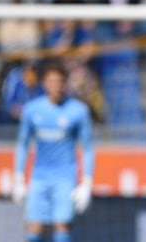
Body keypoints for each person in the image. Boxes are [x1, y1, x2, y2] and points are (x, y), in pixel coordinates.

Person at [11, 62, 96, 242]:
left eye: (59, 81)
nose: (55, 86)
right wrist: (18, 178)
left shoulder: (78, 111)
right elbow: (23, 144)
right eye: (51, 81)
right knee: (33, 227)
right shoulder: (32, 110)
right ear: (43, 83)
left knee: (62, 225)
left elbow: (87, 147)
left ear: (64, 83)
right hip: (39, 176)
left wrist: (87, 182)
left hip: (65, 176)